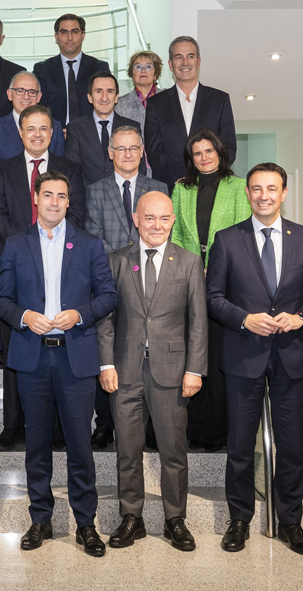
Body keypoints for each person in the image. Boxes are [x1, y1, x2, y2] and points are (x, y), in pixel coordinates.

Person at [206, 163, 303, 555]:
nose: (264, 196)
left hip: (291, 357)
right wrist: (244, 318)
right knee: (240, 445)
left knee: (291, 446)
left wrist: (301, 318)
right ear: (247, 193)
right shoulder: (227, 240)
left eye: (272, 188)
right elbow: (213, 298)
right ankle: (239, 519)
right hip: (243, 356)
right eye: (257, 189)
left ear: (284, 193)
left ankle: (291, 521)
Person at [0, 170, 118, 557]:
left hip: (74, 357)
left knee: (81, 444)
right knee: (37, 445)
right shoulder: (15, 244)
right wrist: (24, 316)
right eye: (47, 194)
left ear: (68, 202)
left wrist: (80, 314)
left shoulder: (90, 244)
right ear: (36, 198)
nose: (54, 202)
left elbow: (108, 295)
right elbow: (2, 301)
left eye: (61, 196)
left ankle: (86, 524)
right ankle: (40, 520)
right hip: (32, 357)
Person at [97, 191, 207, 551]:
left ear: (172, 220)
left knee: (173, 450)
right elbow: (106, 319)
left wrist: (195, 369)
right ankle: (132, 517)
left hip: (172, 373)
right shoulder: (116, 260)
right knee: (127, 450)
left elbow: (198, 322)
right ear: (136, 219)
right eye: (149, 218)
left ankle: (175, 519)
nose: (156, 225)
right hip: (125, 371)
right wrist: (106, 363)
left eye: (163, 218)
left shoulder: (189, 262)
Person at [0, 105, 86, 452]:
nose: (37, 134)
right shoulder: (2, 170)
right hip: (17, 270)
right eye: (31, 128)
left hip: (62, 267)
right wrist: (28, 246)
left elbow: (77, 214)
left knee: (59, 352)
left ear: (53, 133)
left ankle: (58, 428)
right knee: (17, 349)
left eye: (44, 128)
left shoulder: (70, 169)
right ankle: (13, 425)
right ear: (21, 132)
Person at [83, 125, 167, 450]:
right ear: (110, 153)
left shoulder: (158, 187)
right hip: (109, 280)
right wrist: (122, 263)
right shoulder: (95, 190)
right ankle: (105, 423)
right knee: (108, 349)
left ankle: (150, 423)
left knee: (147, 349)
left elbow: (162, 233)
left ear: (142, 151)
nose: (128, 154)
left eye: (133, 148)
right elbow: (94, 236)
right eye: (121, 148)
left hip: (152, 281)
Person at [170, 128, 250, 451]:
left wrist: (214, 267)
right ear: (191, 158)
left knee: (217, 354)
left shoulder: (238, 187)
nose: (204, 158)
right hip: (188, 280)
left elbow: (243, 234)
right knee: (193, 352)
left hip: (225, 283)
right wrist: (190, 266)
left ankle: (220, 431)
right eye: (197, 153)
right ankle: (196, 428)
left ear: (220, 153)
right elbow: (175, 233)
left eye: (209, 151)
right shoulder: (182, 189)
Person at [144, 36, 236, 191]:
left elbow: (228, 147)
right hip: (169, 188)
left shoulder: (219, 100)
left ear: (198, 62)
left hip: (210, 187)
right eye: (178, 57)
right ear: (170, 65)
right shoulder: (155, 103)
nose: (185, 62)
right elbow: (154, 151)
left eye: (190, 56)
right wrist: (180, 180)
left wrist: (202, 178)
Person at [63, 71, 141, 186]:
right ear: (90, 97)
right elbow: (72, 171)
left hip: (124, 194)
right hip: (87, 195)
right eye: (98, 91)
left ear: (116, 98)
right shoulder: (75, 128)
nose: (104, 98)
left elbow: (139, 168)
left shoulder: (132, 127)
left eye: (110, 91)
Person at [33, 13, 111, 126]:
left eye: (75, 32)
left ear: (83, 35)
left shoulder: (99, 68)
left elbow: (105, 104)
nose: (69, 37)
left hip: (90, 132)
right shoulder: (42, 69)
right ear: (56, 37)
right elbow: (39, 107)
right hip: (55, 132)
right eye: (64, 32)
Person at [0, 71, 65, 172]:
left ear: (39, 97)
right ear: (9, 94)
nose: (26, 97)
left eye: (32, 92)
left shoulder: (55, 126)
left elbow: (60, 167)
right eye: (20, 91)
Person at [115, 50, 162, 143]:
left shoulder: (168, 99)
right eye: (138, 67)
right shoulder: (120, 104)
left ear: (155, 74)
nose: (143, 71)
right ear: (132, 74)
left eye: (148, 67)